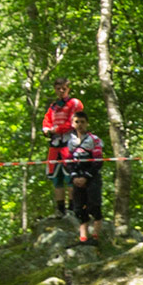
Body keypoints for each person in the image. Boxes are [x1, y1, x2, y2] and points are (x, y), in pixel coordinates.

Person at [42, 79, 86, 217]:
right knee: (56, 177)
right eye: (58, 88)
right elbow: (47, 119)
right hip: (55, 146)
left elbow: (73, 122)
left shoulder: (74, 103)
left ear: (68, 89)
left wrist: (57, 129)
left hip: (69, 144)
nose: (61, 91)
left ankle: (73, 208)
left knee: (71, 176)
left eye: (64, 88)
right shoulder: (53, 106)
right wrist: (46, 129)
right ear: (55, 89)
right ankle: (60, 209)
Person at [63, 116, 107, 243]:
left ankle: (95, 237)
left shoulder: (94, 139)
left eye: (82, 122)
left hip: (92, 178)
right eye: (77, 122)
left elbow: (98, 161)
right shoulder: (70, 141)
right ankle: (83, 238)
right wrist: (74, 176)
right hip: (76, 178)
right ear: (72, 123)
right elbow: (68, 161)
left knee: (94, 206)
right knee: (79, 209)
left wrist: (86, 176)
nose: (80, 124)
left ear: (87, 123)